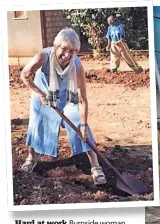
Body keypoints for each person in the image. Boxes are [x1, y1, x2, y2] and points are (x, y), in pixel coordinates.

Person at [20, 27, 106, 186]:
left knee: (81, 126)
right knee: (36, 122)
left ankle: (95, 165)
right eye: (64, 49)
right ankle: (31, 157)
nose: (68, 55)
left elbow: (82, 98)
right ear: (55, 46)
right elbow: (24, 75)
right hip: (44, 96)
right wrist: (40, 94)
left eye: (73, 51)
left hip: (67, 98)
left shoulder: (77, 65)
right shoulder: (43, 57)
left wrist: (84, 124)